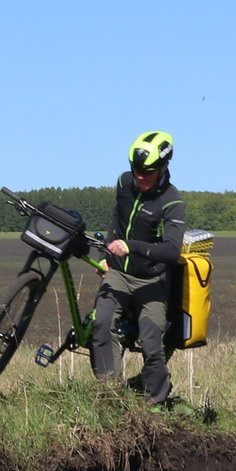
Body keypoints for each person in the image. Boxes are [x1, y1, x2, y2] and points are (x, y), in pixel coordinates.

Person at [91, 130, 188, 407]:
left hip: (152, 281)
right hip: (119, 273)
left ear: (164, 167)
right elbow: (117, 220)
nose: (140, 176)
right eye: (136, 169)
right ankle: (109, 397)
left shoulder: (172, 201)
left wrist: (131, 246)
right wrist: (104, 254)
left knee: (151, 339)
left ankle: (153, 404)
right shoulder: (124, 183)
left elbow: (171, 250)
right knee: (101, 323)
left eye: (147, 171)